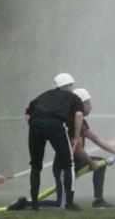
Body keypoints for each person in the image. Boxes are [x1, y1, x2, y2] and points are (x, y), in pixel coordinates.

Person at [9, 88, 115, 210]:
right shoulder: (69, 123)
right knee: (62, 205)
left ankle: (99, 200)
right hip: (63, 168)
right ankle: (25, 204)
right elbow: (77, 149)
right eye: (87, 104)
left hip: (77, 163)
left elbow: (97, 139)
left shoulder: (81, 122)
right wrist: (91, 163)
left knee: (101, 163)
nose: (90, 107)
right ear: (80, 105)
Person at [24, 73, 85, 211]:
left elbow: (27, 112)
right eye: (72, 85)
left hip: (35, 123)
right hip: (56, 125)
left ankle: (34, 204)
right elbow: (79, 115)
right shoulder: (73, 97)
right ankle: (69, 203)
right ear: (68, 85)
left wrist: (34, 126)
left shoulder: (44, 95)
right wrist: (76, 136)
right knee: (69, 164)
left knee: (35, 165)